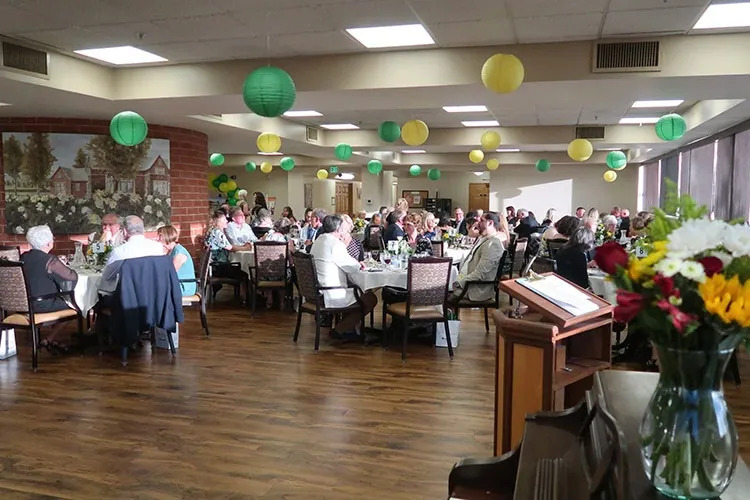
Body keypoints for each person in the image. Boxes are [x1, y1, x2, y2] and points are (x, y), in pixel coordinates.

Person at [309, 215, 378, 339]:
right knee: (370, 299)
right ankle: (341, 330)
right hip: (331, 293)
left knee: (358, 291)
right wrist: (359, 264)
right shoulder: (335, 244)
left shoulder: (319, 241)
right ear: (338, 229)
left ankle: (348, 328)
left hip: (317, 291)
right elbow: (350, 266)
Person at [20, 225, 78, 352]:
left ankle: (53, 339)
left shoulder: (23, 257)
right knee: (76, 306)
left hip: (23, 304)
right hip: (41, 304)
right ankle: (49, 339)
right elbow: (71, 277)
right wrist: (64, 266)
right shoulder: (50, 261)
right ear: (48, 243)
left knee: (59, 300)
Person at [99, 215, 164, 294]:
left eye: (110, 224)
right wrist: (102, 242)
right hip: (155, 292)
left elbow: (107, 276)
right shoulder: (158, 247)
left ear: (123, 230)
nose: (106, 228)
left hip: (129, 294)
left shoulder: (120, 250)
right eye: (104, 224)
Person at [449, 212, 505, 303]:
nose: (478, 223)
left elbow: (480, 274)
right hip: (466, 282)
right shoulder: (483, 238)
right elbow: (470, 233)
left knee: (440, 297)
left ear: (490, 223)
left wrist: (459, 283)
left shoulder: (493, 244)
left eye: (482, 220)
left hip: (473, 289)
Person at [205, 210, 249, 294]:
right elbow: (230, 248)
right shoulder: (218, 233)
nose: (226, 221)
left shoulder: (212, 231)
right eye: (224, 219)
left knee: (240, 270)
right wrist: (245, 248)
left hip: (215, 266)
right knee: (245, 274)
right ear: (218, 221)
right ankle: (245, 298)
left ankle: (242, 296)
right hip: (218, 267)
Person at [157, 225, 196, 297]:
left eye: (160, 236)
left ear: (167, 237)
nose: (158, 239)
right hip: (176, 283)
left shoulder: (179, 252)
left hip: (184, 286)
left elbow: (171, 273)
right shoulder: (171, 251)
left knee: (155, 290)